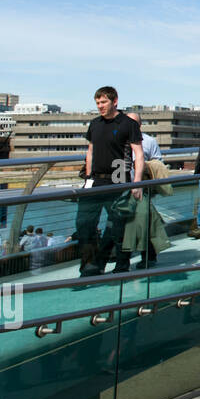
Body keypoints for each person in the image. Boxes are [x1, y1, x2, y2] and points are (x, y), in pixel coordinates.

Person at [75, 86, 144, 276]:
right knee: (84, 223)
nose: (100, 106)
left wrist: (136, 184)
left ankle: (121, 265)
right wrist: (88, 178)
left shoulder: (127, 124)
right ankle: (89, 267)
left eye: (103, 102)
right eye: (97, 103)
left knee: (117, 226)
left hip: (118, 177)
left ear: (115, 102)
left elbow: (138, 154)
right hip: (95, 180)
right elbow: (90, 152)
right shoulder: (95, 124)